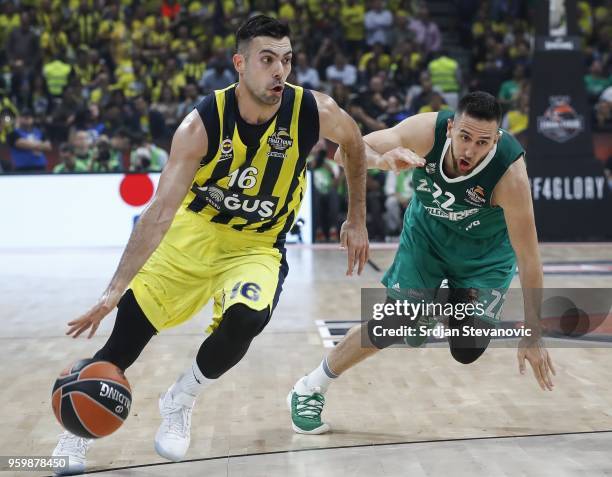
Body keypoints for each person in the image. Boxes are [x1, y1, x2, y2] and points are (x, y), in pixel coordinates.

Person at [51, 15, 369, 474]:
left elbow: (355, 143)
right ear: (240, 64)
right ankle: (74, 433)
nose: (279, 70)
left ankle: (181, 398)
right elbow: (158, 212)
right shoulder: (201, 124)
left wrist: (355, 218)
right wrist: (113, 289)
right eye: (267, 60)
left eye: (287, 60)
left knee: (247, 320)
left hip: (258, 244)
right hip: (192, 236)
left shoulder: (313, 111)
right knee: (128, 336)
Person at [288, 91, 556, 435]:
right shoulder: (424, 131)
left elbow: (530, 259)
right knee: (396, 321)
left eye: (483, 142)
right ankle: (310, 386)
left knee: (467, 349)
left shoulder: (510, 176)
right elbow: (344, 151)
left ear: (497, 139)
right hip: (428, 237)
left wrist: (533, 334)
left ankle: (427, 304)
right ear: (450, 130)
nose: (471, 150)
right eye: (464, 137)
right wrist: (382, 161)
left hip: (485, 255)